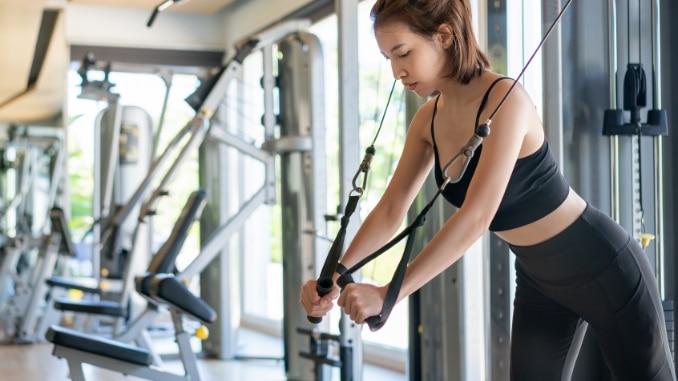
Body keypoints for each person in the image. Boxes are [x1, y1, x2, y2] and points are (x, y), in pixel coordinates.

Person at [299, 0, 676, 379]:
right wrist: (334, 276)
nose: (397, 71)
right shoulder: (427, 121)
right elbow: (391, 209)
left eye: (403, 53)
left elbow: (477, 216)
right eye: (388, 59)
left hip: (602, 265)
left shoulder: (505, 99)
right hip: (538, 281)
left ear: (444, 36)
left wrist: (389, 294)